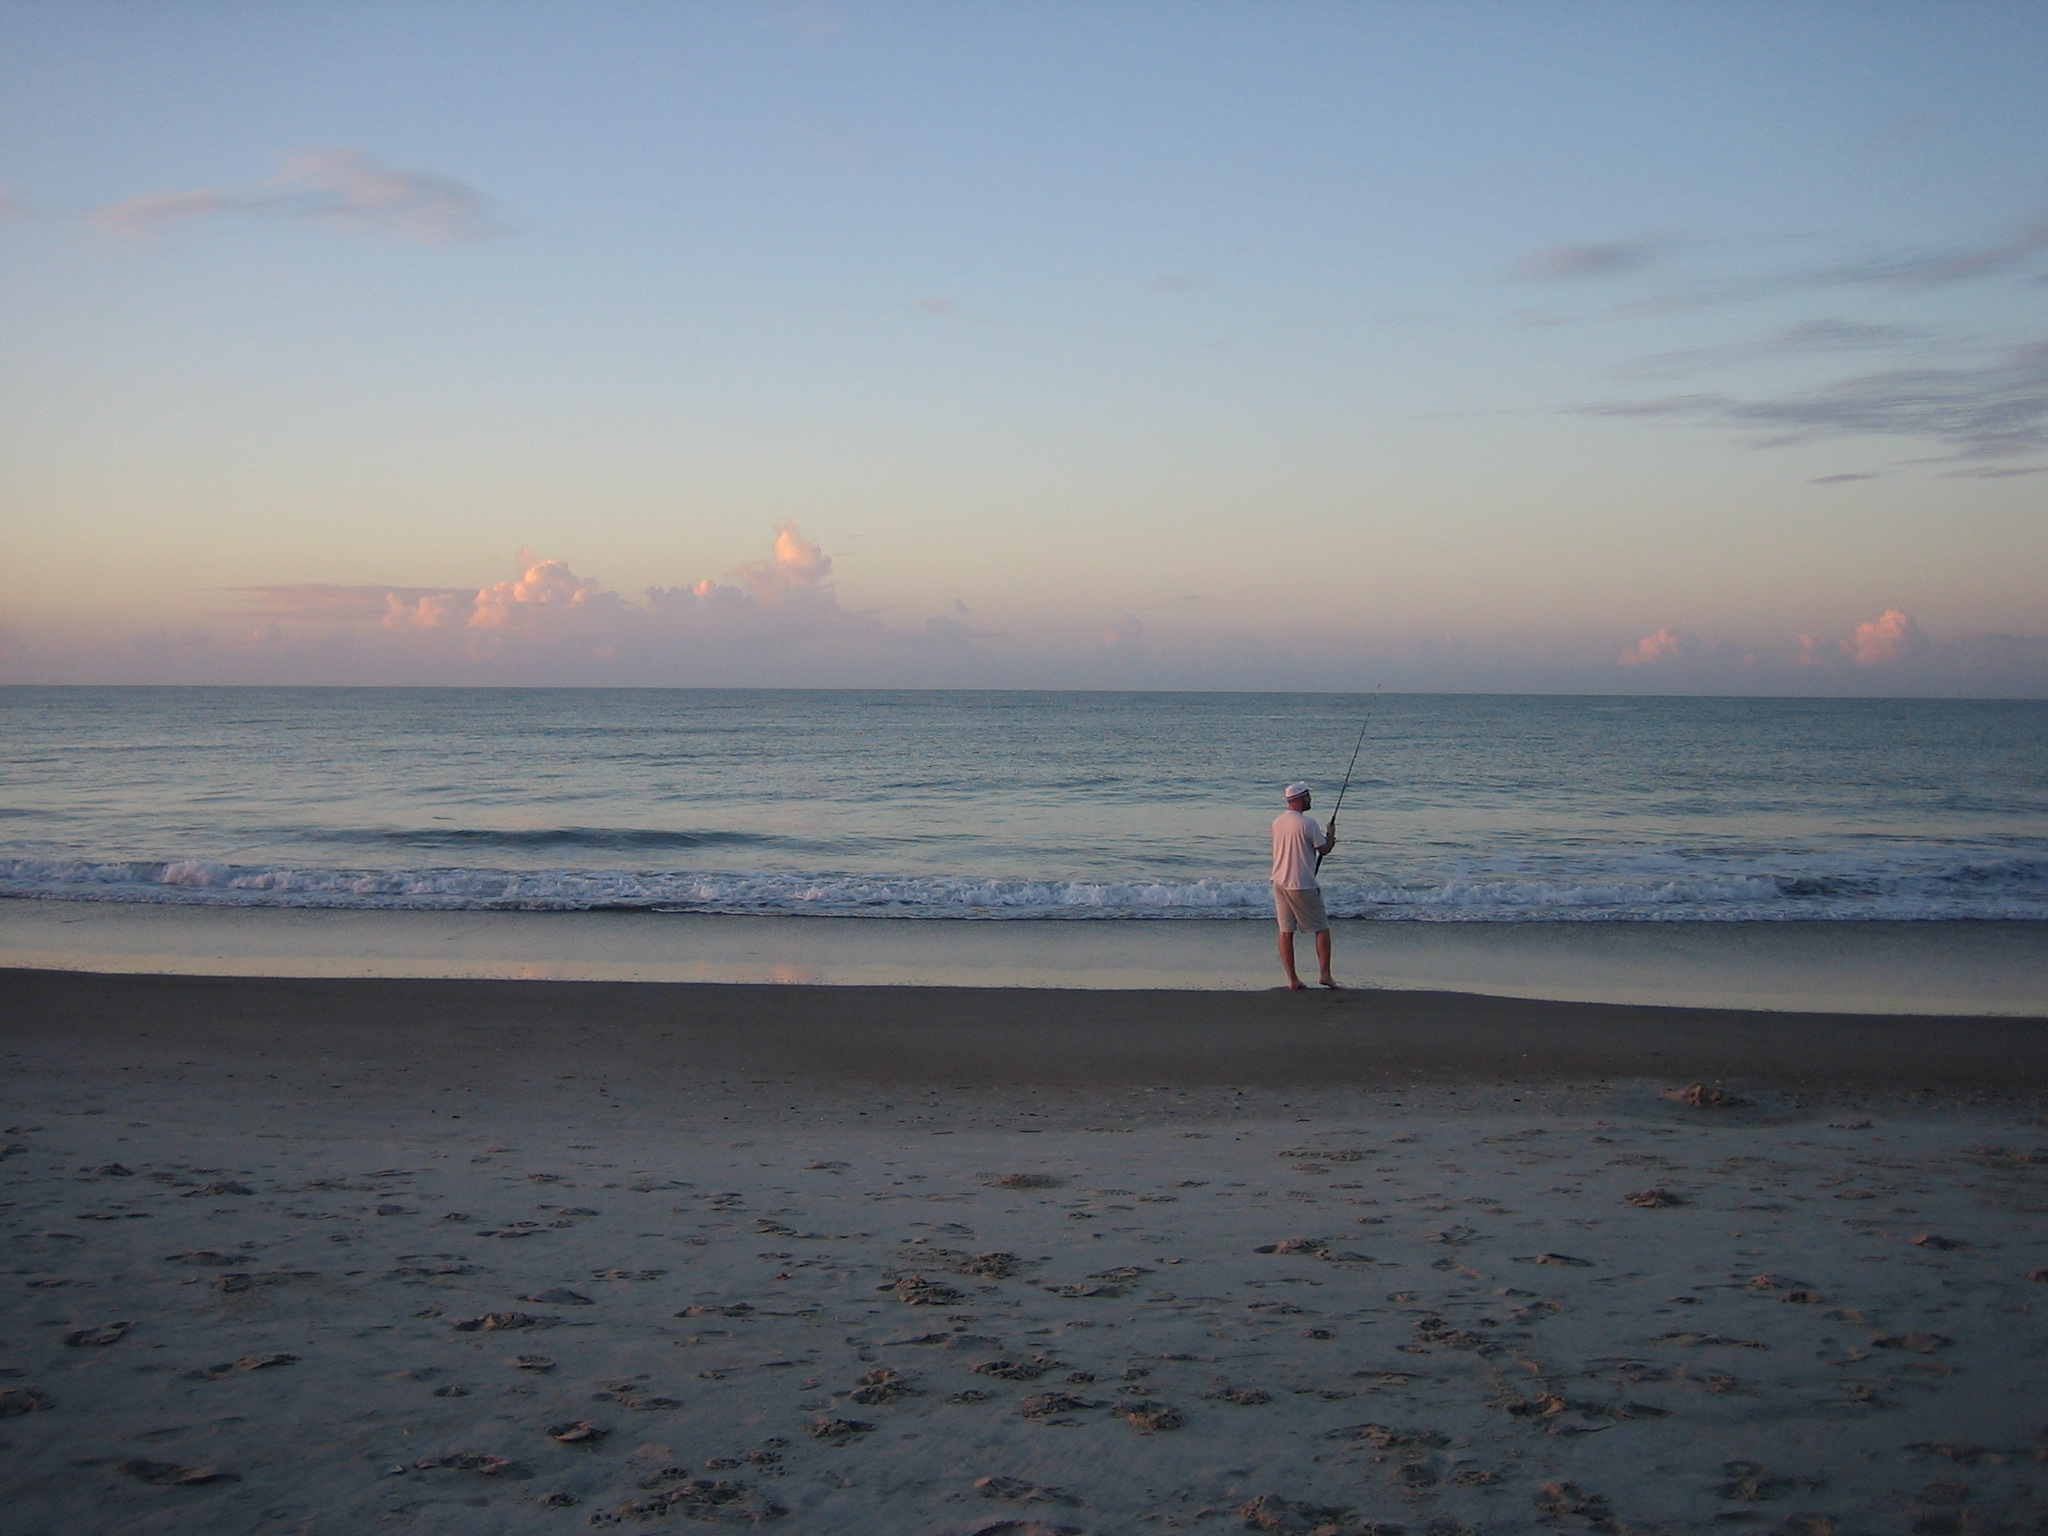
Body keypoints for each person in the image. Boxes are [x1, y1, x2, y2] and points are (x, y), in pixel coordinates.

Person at [1271, 780, 1338, 990]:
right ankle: (1325, 974)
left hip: (1279, 881)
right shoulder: (1308, 823)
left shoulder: (1277, 822)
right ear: (1300, 798)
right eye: (1308, 796)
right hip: (1302, 884)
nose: (1310, 799)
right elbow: (1324, 849)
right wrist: (1331, 834)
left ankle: (1292, 979)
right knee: (1321, 928)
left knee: (1285, 931)